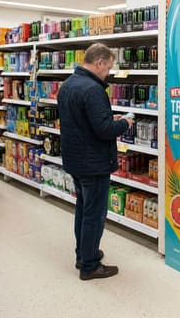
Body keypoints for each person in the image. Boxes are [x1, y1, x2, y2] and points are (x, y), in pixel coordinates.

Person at [58, 43, 134, 281]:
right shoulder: (93, 89)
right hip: (94, 163)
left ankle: (84, 253)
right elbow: (103, 130)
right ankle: (89, 265)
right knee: (94, 214)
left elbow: (84, 121)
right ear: (99, 62)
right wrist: (124, 124)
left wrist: (107, 117)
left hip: (75, 160)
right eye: (108, 68)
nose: (108, 73)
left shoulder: (68, 85)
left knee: (83, 209)